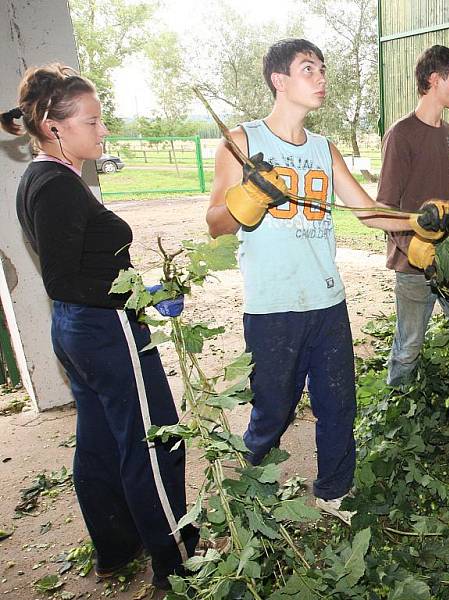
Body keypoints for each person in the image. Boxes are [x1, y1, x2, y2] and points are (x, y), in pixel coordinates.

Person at [206, 38, 449, 525]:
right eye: (308, 69)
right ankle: (248, 495)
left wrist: (417, 220)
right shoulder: (243, 141)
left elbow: (368, 211)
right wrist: (246, 198)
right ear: (280, 80)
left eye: (322, 68)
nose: (320, 78)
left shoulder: (323, 148)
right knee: (272, 411)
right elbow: (215, 222)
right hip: (273, 304)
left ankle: (335, 492)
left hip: (327, 301)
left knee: (339, 404)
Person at [1, 64, 197, 590]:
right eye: (93, 121)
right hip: (106, 331)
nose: (103, 130)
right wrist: (140, 294)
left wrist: (134, 283)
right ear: (54, 125)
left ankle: (116, 544)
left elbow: (82, 264)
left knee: (100, 442)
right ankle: (176, 559)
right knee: (154, 441)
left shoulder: (48, 178)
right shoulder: (56, 187)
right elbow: (64, 279)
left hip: (77, 332)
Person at [377, 45, 449, 422]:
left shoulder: (448, 132)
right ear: (435, 80)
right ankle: (394, 422)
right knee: (409, 347)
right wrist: (410, 245)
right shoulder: (402, 134)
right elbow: (385, 206)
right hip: (413, 263)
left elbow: (448, 194)